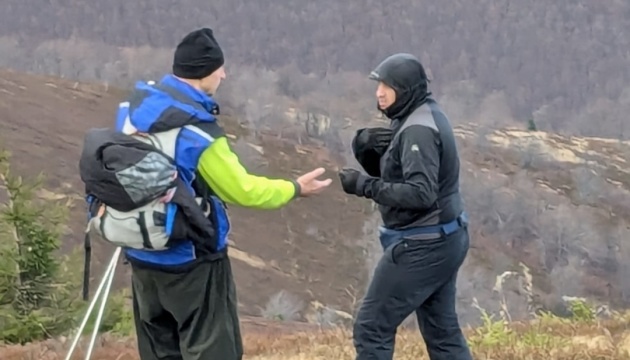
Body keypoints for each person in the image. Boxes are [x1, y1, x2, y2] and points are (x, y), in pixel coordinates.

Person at [110, 28, 331, 360]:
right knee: (213, 350)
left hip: (140, 255)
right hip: (191, 260)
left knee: (159, 352)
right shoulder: (198, 133)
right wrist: (295, 188)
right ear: (202, 73)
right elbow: (244, 190)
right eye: (219, 69)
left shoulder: (133, 110)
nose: (224, 75)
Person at [338, 53, 473, 360]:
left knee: (371, 327)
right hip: (446, 238)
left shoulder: (418, 130)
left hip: (423, 244)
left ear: (407, 90)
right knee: (442, 331)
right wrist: (372, 152)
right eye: (379, 84)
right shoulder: (421, 115)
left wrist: (363, 185)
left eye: (388, 86)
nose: (379, 92)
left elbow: (421, 194)